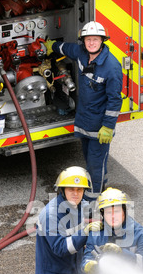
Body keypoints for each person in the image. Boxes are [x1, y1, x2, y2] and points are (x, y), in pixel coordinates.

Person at [44, 22, 123, 203]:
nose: (92, 43)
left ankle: (92, 202)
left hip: (99, 126)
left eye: (95, 39)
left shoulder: (111, 67)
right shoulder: (81, 53)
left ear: (102, 41)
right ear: (84, 41)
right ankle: (101, 187)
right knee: (91, 160)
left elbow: (115, 100)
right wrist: (51, 46)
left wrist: (108, 127)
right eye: (88, 39)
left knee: (95, 164)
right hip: (84, 121)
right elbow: (66, 48)